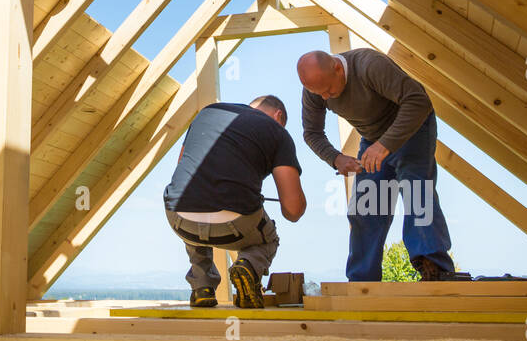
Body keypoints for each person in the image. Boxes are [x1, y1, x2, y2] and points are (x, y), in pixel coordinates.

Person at [297, 49, 456, 282]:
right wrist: (336, 158)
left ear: (338, 69)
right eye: (318, 93)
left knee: (416, 191)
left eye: (329, 90)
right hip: (372, 138)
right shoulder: (316, 91)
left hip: (412, 127)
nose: (325, 98)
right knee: (367, 206)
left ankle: (434, 268)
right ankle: (363, 280)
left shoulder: (369, 66)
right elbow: (312, 133)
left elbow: (418, 101)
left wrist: (385, 145)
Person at [163, 96, 305, 308]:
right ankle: (248, 266)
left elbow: (184, 165)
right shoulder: (278, 133)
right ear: (279, 116)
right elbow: (293, 210)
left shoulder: (208, 112)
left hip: (179, 218)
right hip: (234, 225)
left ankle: (202, 288)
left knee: (194, 198)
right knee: (269, 238)